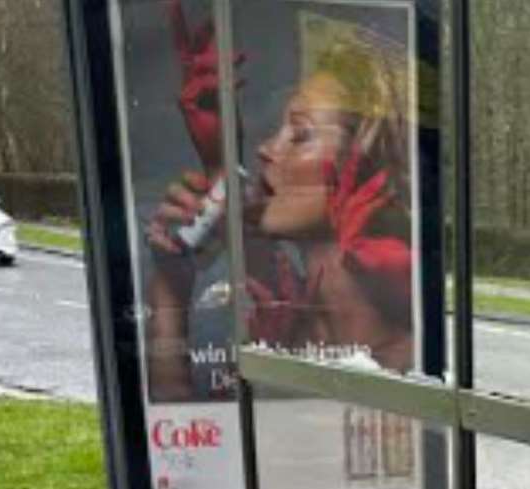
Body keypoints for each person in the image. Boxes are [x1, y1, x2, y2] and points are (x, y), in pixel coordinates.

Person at [143, 1, 415, 402]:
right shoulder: (283, 312)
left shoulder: (405, 352)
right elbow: (186, 442)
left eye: (300, 135)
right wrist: (170, 284)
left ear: (367, 164)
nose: (267, 149)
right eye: (278, 130)